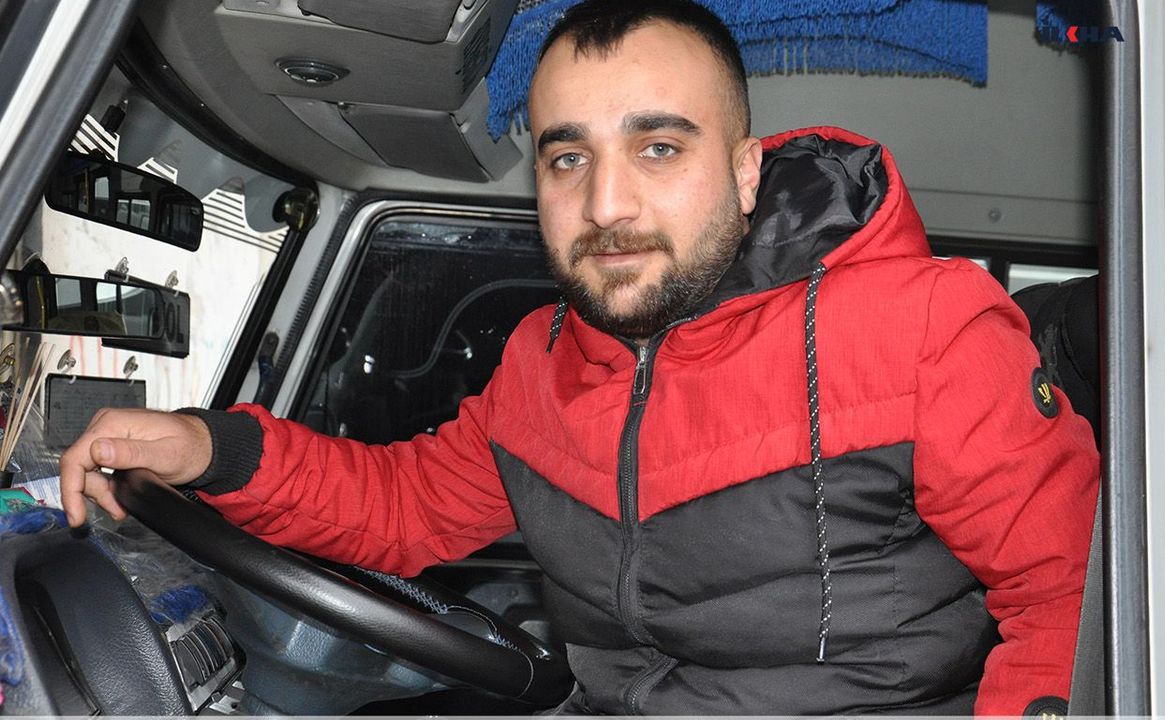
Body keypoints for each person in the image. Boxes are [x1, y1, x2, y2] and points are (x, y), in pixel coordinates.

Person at [60, 0, 1100, 714]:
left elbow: (1073, 603)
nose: (606, 204)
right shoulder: (543, 361)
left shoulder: (926, 329)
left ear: (746, 173)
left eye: (659, 148)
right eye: (568, 157)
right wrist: (213, 449)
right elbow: (406, 506)